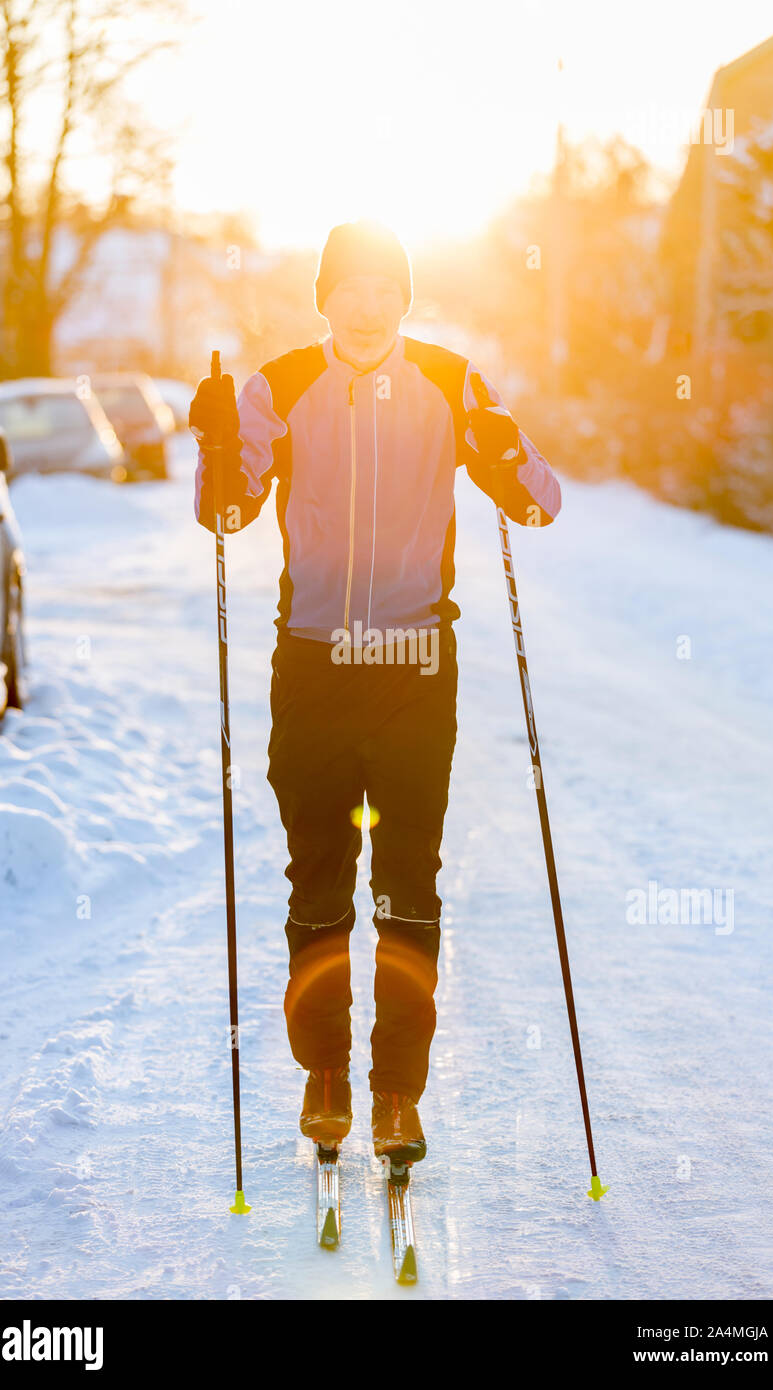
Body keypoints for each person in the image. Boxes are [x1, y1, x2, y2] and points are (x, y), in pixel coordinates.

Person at [189, 219, 561, 1167]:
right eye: (346, 287)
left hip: (414, 667)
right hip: (311, 667)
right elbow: (227, 511)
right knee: (317, 883)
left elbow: (540, 502)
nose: (365, 305)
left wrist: (506, 449)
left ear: (405, 297)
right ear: (325, 299)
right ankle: (324, 1077)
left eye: (382, 287)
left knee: (407, 887)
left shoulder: (448, 378)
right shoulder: (279, 384)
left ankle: (397, 1090)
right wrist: (221, 443)